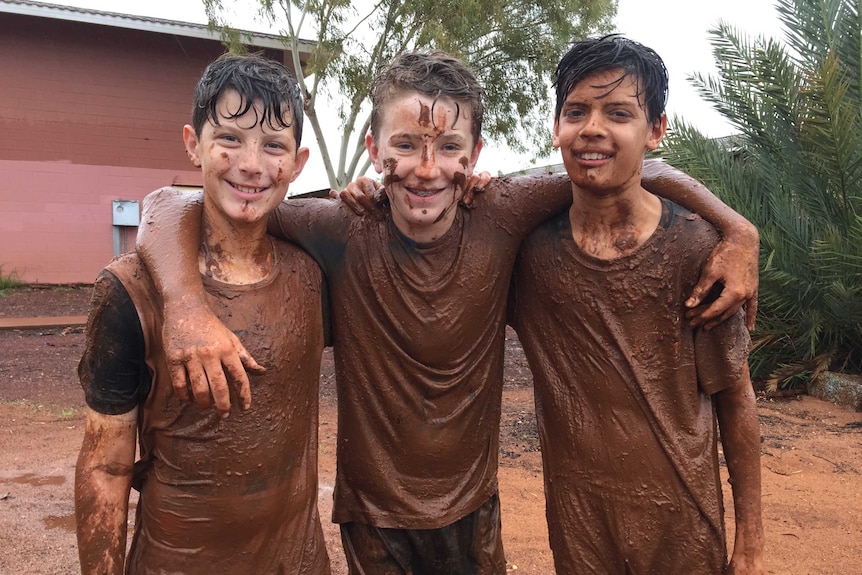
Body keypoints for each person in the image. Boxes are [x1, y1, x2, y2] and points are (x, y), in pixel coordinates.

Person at [136, 50, 759, 573]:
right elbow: (174, 202)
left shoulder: (503, 211)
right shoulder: (341, 226)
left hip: (472, 512)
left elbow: (636, 168)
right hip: (373, 521)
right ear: (374, 147)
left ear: (474, 155)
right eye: (405, 145)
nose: (426, 169)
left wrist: (738, 230)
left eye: (448, 147)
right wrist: (184, 304)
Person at [510, 35, 764, 574]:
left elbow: (735, 398)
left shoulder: (698, 250)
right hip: (580, 531)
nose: (593, 128)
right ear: (557, 128)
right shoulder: (527, 255)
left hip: (684, 527)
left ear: (655, 131)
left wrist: (751, 544)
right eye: (576, 111)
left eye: (618, 113)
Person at [74, 54, 331, 574]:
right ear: (193, 143)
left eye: (274, 146)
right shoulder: (129, 291)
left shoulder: (314, 276)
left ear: (298, 163)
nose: (253, 164)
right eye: (230, 139)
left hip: (299, 562)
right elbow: (105, 464)